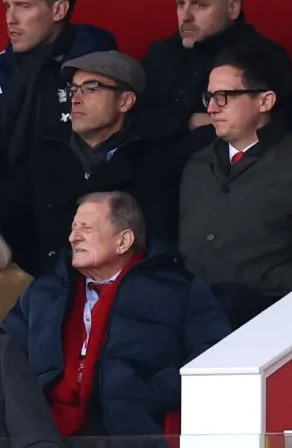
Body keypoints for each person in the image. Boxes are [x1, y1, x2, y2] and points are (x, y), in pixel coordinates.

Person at [5, 192, 226, 448]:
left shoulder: (176, 289)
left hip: (133, 436)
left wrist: (150, 391)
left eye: (86, 228)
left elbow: (213, 358)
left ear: (123, 240)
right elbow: (7, 349)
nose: (73, 236)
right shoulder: (45, 292)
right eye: (73, 227)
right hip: (52, 443)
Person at [178, 45, 292, 326]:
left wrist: (262, 279)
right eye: (210, 97)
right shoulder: (196, 166)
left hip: (270, 321)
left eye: (224, 97)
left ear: (265, 101)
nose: (211, 108)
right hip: (190, 321)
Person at [0, 49, 181, 277]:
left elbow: (159, 241)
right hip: (43, 285)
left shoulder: (155, 161)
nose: (75, 98)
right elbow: (11, 206)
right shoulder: (44, 148)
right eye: (73, 89)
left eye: (91, 88)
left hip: (120, 291)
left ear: (125, 101)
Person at [138, 0, 292, 152]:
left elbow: (269, 131)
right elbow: (138, 119)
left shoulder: (263, 57)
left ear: (232, 8)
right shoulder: (161, 53)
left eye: (199, 5)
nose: (185, 16)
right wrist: (189, 120)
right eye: (180, 4)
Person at [0, 0, 116, 181]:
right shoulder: (3, 67)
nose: (10, 19)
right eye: (7, 6)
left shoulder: (99, 65)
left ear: (58, 10)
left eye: (24, 6)